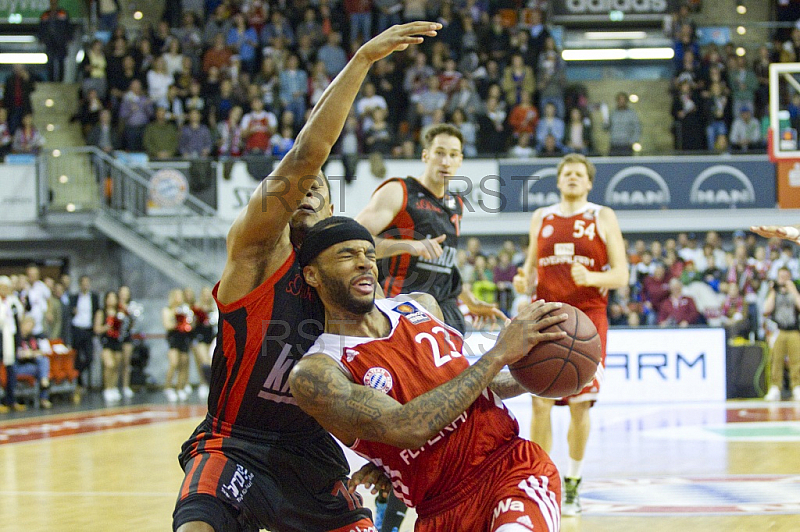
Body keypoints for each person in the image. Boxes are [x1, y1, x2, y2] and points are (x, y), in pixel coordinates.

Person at [172, 22, 441, 532]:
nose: (305, 189)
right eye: (297, 185)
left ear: (335, 209)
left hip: (310, 451)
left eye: (317, 187)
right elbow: (306, 155)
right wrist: (360, 61)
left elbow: (391, 369)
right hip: (235, 440)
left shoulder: (355, 279)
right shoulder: (257, 253)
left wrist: (387, 456)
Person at [288, 217, 566, 532]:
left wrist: (541, 375)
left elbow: (465, 387)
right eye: (347, 255)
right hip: (439, 510)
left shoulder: (421, 306)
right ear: (312, 274)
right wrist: (498, 353)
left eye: (369, 254)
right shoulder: (317, 372)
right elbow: (408, 427)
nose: (364, 263)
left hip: (510, 469)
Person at [355, 123, 505, 530]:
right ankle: (389, 507)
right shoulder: (397, 191)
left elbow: (446, 266)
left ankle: (451, 502)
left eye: (454, 153)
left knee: (451, 417)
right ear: (425, 155)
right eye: (439, 152)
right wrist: (406, 244)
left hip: (446, 317)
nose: (446, 160)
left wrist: (471, 300)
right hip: (403, 319)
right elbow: (354, 239)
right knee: (413, 420)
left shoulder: (455, 203)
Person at [513, 153, 629, 516]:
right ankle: (543, 480)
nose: (573, 178)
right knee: (539, 402)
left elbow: (622, 275)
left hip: (586, 320)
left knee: (580, 405)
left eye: (580, 174)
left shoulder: (601, 215)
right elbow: (529, 271)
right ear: (559, 180)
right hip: (545, 315)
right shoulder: (542, 217)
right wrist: (522, 281)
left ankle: (574, 483)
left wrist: (592, 278)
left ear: (589, 182)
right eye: (568, 174)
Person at [762, 267, 800, 401]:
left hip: (794, 330)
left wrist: (793, 291)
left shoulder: (795, 291)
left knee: (796, 360)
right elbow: (766, 309)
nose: (783, 279)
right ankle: (775, 387)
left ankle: (797, 386)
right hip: (778, 330)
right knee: (776, 359)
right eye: (781, 276)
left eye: (785, 276)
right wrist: (773, 291)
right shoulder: (774, 292)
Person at [69, 275, 99, 393]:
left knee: (89, 357)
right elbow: (69, 313)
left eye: (87, 282)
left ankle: (78, 373)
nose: (85, 285)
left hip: (88, 330)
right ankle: (80, 382)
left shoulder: (94, 297)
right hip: (77, 328)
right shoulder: (75, 297)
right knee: (76, 357)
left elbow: (97, 312)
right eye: (83, 283)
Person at [163, 288, 193, 403]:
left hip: (184, 337)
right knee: (174, 363)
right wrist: (178, 320)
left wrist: (187, 321)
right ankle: (168, 387)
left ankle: (180, 387)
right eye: (177, 296)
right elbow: (167, 325)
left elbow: (191, 323)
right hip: (174, 338)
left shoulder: (186, 309)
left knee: (184, 363)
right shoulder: (168, 310)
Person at [94, 290, 124, 403]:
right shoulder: (101, 312)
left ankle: (113, 387)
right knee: (109, 364)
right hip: (106, 340)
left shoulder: (119, 312)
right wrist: (107, 327)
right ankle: (107, 388)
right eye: (109, 298)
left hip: (117, 340)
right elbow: (97, 329)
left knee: (116, 365)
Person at [38, 0, 72, 82]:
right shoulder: (45, 15)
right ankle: (51, 81)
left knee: (61, 61)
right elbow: (41, 28)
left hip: (61, 42)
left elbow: (68, 27)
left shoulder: (63, 14)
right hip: (49, 42)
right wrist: (41, 38)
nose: (53, 4)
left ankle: (60, 81)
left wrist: (69, 38)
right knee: (50, 62)